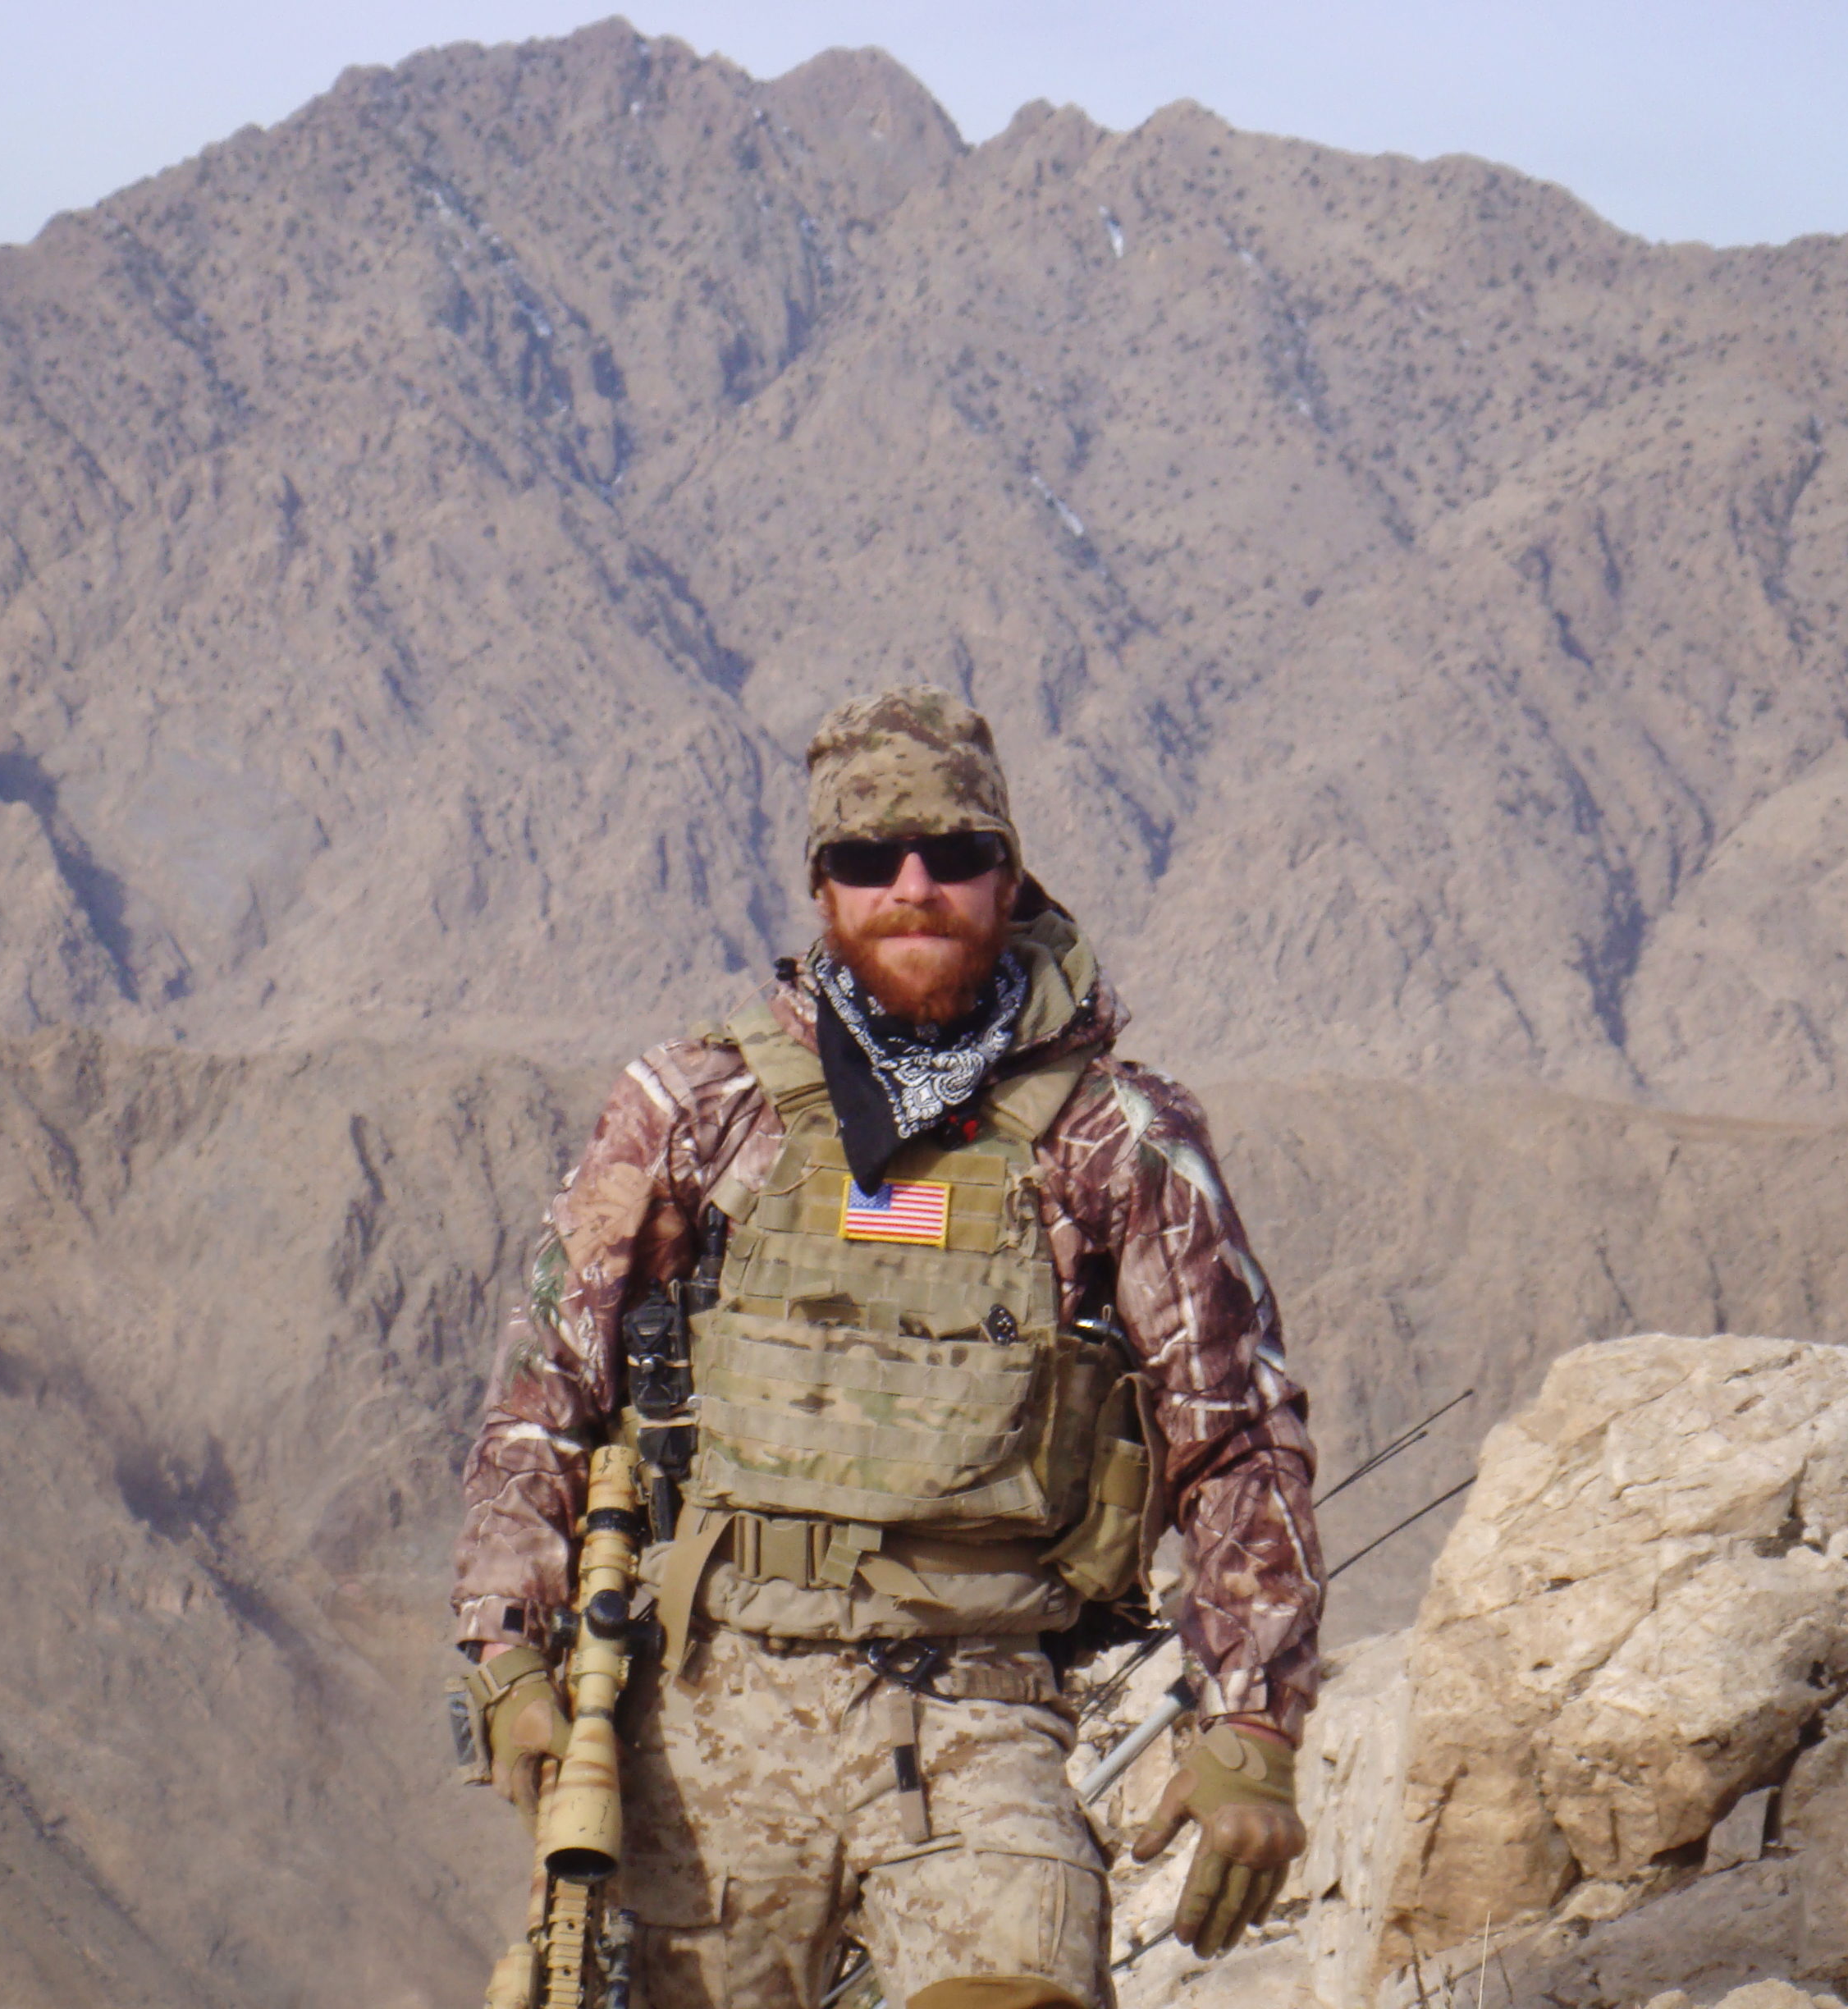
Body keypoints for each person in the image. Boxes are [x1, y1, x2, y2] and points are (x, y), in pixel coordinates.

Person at [452, 686, 1324, 2008]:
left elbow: (1237, 1432)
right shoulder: (699, 1110)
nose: (912, 886)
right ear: (822, 887)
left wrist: (1252, 1718)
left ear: (1008, 873)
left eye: (953, 854)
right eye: (869, 859)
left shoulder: (1114, 1140)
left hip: (984, 1714)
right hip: (709, 1721)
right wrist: (512, 1654)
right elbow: (544, 1408)